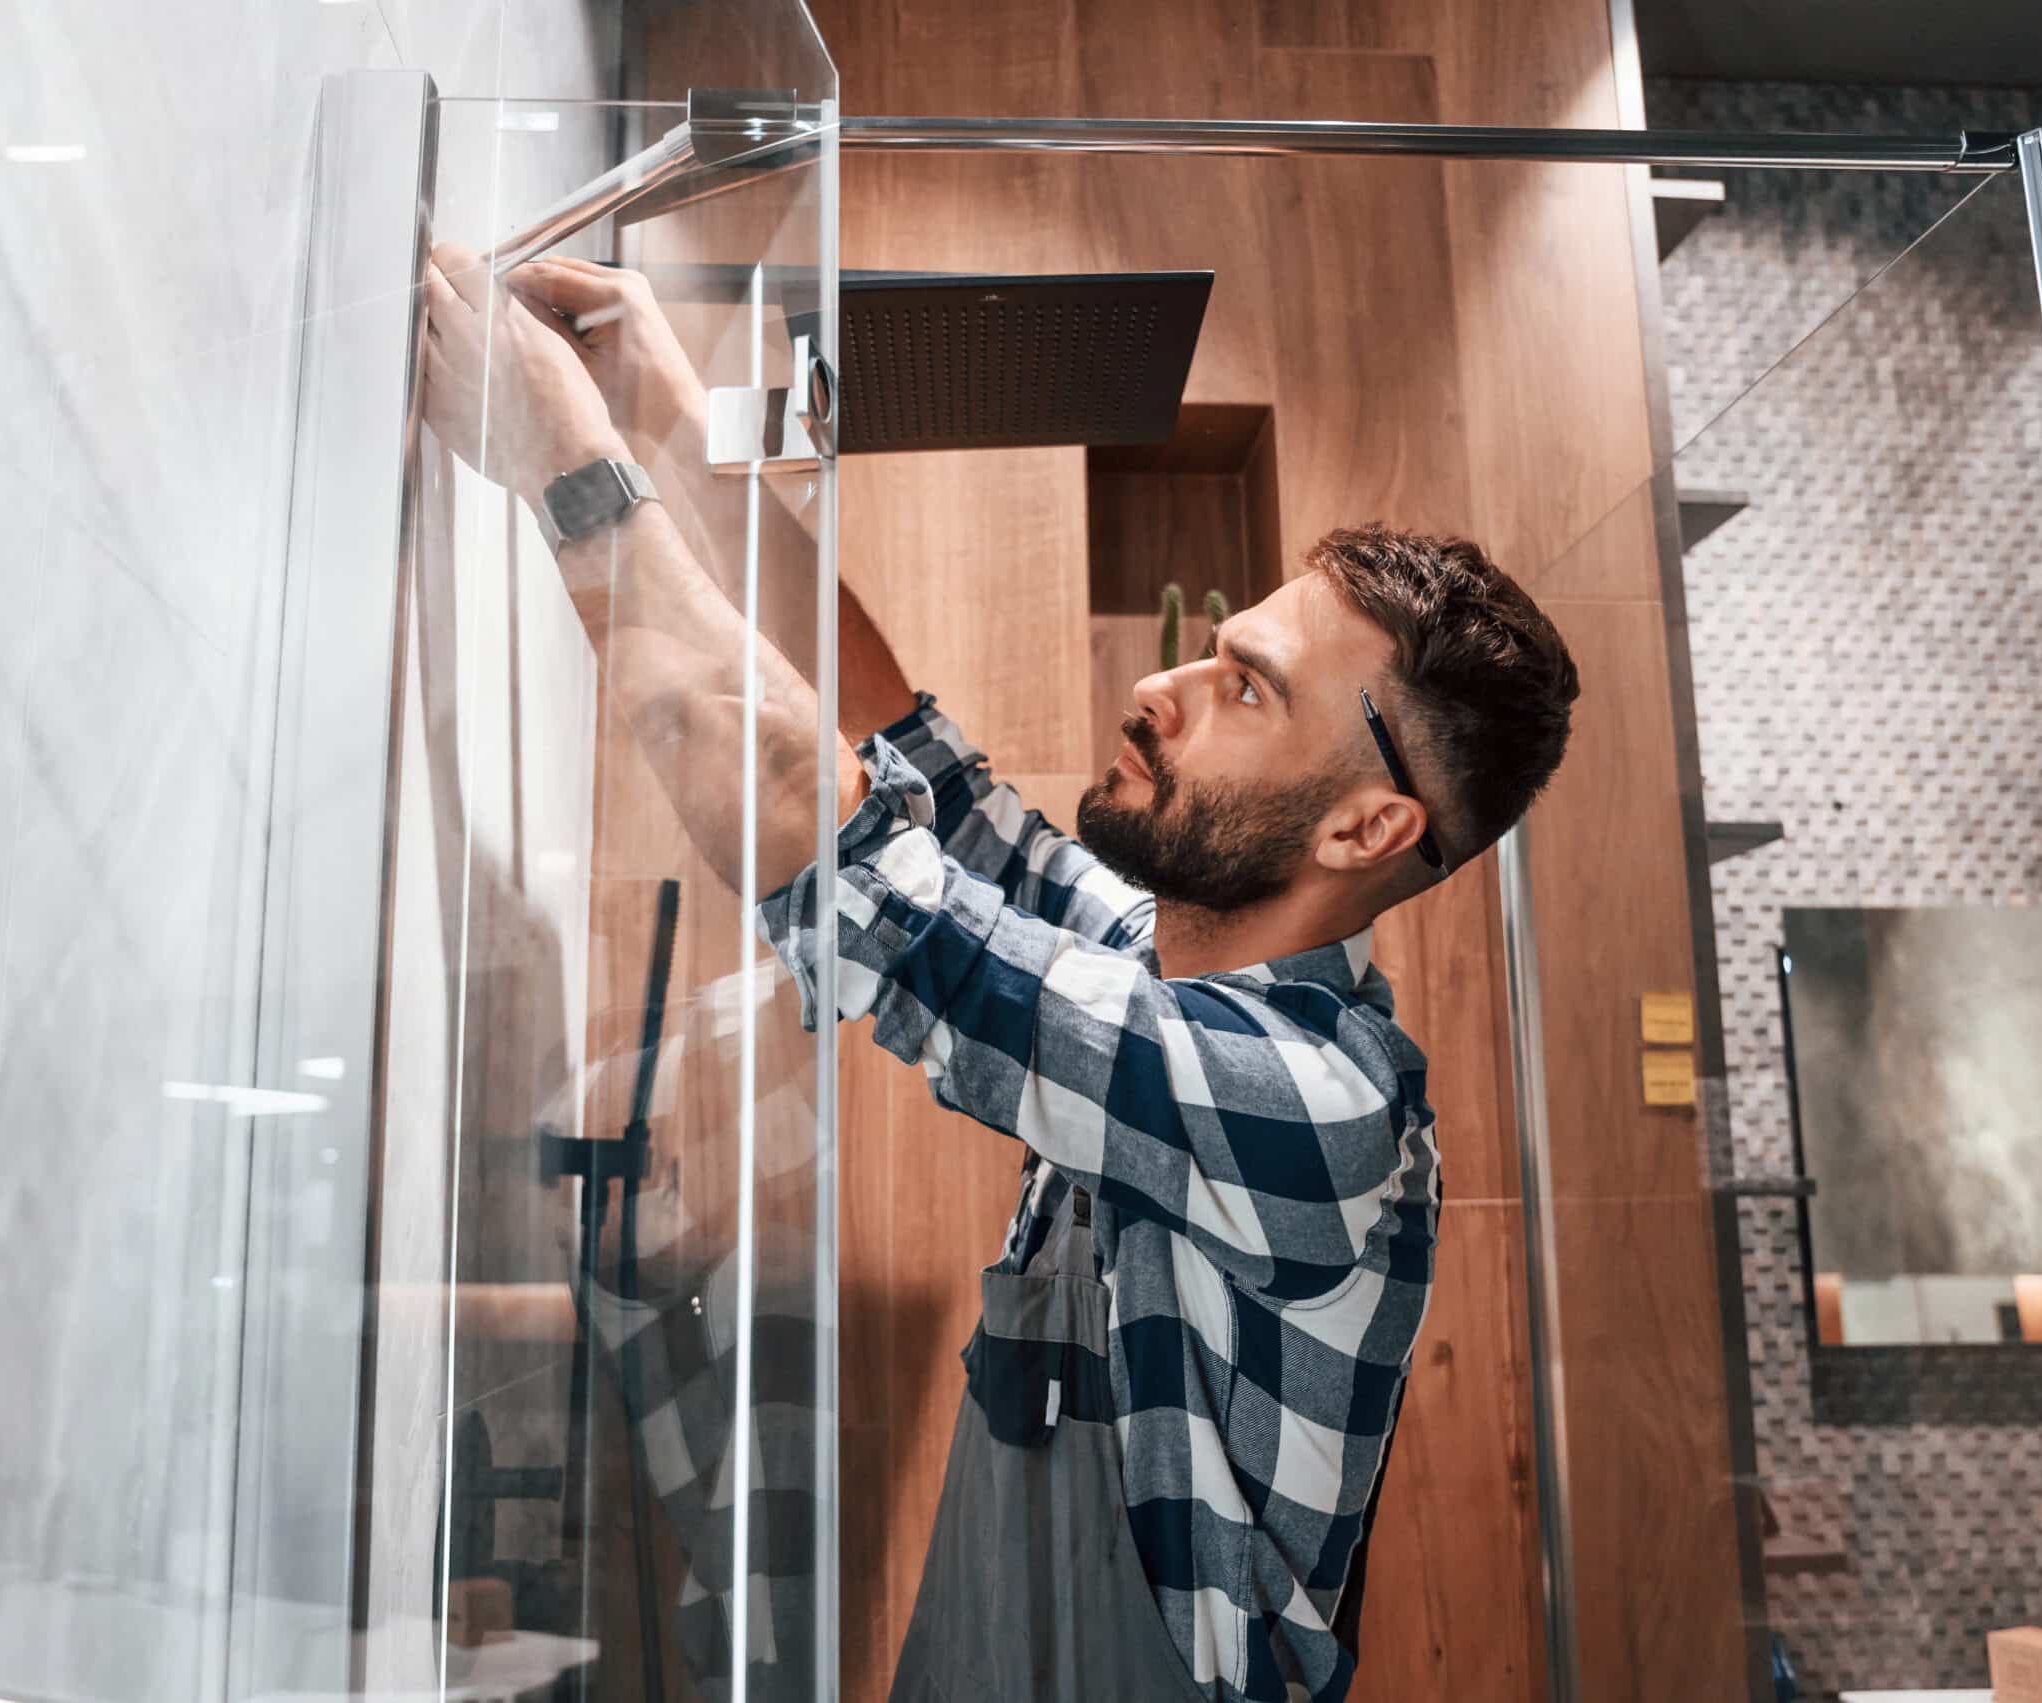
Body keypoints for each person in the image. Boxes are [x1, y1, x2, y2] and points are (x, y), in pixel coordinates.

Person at [420, 241, 1581, 1703]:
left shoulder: (1308, 1105)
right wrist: (672, 423)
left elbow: (831, 844)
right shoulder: (1163, 969)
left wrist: (572, 470)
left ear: (1367, 824)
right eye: (1211, 652)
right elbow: (896, 741)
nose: (1162, 690)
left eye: (1244, 688)